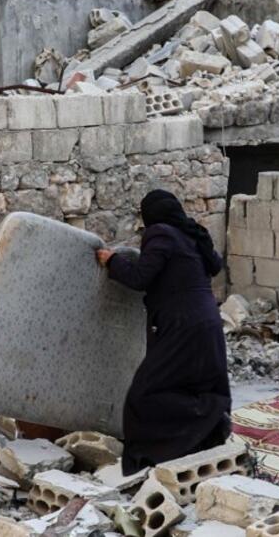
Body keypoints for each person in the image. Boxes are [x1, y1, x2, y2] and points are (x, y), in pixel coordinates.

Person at [96, 189, 232, 474]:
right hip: (208, 323)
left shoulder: (160, 234)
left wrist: (112, 260)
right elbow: (215, 266)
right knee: (194, 385)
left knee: (144, 394)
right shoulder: (192, 236)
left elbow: (140, 277)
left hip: (182, 326)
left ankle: (148, 458)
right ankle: (209, 430)